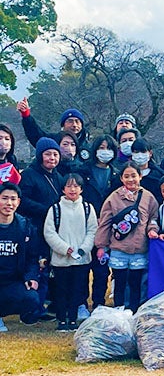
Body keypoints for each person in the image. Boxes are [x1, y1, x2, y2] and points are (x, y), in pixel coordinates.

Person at [94, 163, 159, 313]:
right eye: (127, 176)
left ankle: (133, 313)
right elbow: (105, 223)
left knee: (136, 284)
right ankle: (118, 312)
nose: (131, 179)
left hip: (139, 248)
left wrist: (152, 230)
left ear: (140, 176)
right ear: (122, 178)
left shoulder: (148, 197)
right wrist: (101, 246)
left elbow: (153, 218)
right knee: (120, 283)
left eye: (133, 175)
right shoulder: (113, 198)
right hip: (118, 248)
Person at [43, 174, 98, 331]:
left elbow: (92, 230)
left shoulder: (88, 208)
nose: (72, 189)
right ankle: (61, 319)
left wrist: (83, 249)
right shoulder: (55, 209)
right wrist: (64, 248)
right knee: (61, 290)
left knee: (77, 289)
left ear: (81, 189)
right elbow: (49, 232)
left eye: (76, 186)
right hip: (61, 259)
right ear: (63, 189)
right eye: (69, 186)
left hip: (81, 259)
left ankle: (73, 319)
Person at [18, 137, 65, 317]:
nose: (52, 158)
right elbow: (23, 201)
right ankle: (33, 308)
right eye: (48, 154)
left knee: (49, 270)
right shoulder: (29, 175)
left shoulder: (58, 176)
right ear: (39, 156)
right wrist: (47, 210)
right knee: (37, 269)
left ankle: (46, 304)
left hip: (53, 230)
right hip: (35, 229)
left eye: (55, 154)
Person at [78, 134, 121, 312]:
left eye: (109, 148)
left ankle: (98, 304)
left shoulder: (117, 174)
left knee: (102, 269)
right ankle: (81, 303)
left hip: (107, 228)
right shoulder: (83, 171)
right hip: (84, 226)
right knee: (82, 267)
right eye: (101, 148)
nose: (105, 152)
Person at [0, 182, 41, 330]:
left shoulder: (25, 227)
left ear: (18, 202)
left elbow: (32, 258)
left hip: (12, 281)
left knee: (31, 298)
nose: (9, 203)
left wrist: (31, 277)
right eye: (4, 198)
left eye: (13, 199)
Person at [17, 98, 92, 161]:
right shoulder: (53, 140)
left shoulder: (88, 147)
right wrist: (26, 115)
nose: (74, 125)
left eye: (77, 121)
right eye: (70, 121)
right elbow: (35, 134)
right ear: (63, 125)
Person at [130, 138, 164, 203]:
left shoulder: (159, 175)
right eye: (136, 152)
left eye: (143, 152)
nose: (140, 155)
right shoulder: (126, 174)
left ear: (150, 153)